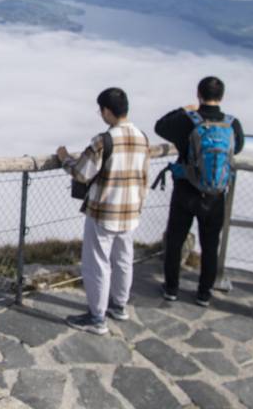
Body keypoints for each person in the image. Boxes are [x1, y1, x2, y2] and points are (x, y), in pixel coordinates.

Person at [57, 88, 150, 335]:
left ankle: (97, 318)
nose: (101, 114)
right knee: (123, 260)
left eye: (101, 110)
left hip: (104, 211)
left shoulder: (103, 141)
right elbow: (144, 175)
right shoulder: (142, 137)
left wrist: (65, 158)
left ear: (107, 111)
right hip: (131, 210)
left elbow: (82, 173)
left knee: (97, 264)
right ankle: (119, 306)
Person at [155, 76, 244, 307]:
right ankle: (204, 293)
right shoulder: (232, 123)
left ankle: (171, 288)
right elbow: (239, 147)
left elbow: (160, 127)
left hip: (186, 191)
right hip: (216, 195)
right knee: (210, 244)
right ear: (221, 97)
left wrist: (184, 109)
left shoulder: (189, 120)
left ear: (198, 94)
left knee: (175, 240)